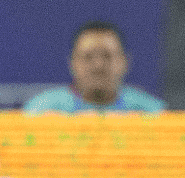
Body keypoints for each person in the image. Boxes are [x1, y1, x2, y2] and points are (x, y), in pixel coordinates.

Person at [23, 21, 165, 113]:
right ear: (72, 63)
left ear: (124, 62)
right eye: (88, 57)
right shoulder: (40, 111)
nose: (98, 66)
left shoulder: (152, 113)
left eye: (107, 56)